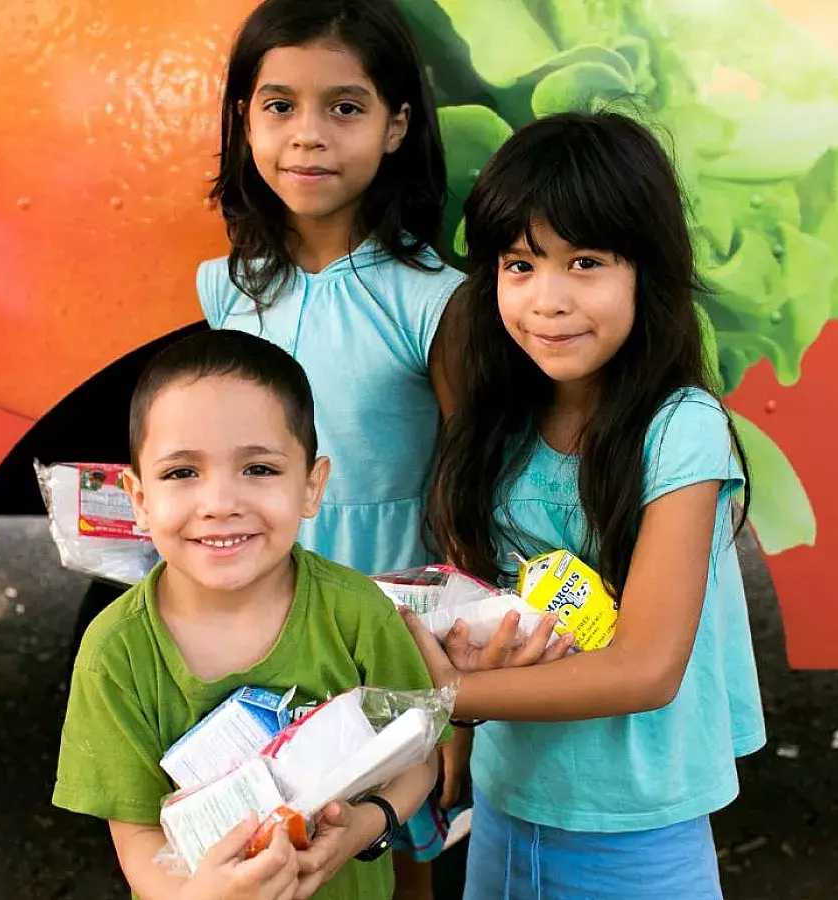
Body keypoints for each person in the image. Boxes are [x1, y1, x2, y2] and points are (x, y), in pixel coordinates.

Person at [404, 111, 768, 900]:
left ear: (648, 272)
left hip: (640, 833)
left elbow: (646, 669)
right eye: (521, 264)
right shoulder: (498, 422)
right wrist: (459, 730)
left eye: (587, 262)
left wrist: (442, 699)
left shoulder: (681, 432)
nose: (549, 299)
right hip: (507, 809)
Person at [196, 0, 469, 894]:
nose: (307, 136)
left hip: (389, 646)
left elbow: (469, 491)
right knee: (261, 854)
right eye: (279, 106)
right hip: (252, 630)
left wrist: (457, 705)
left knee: (396, 858)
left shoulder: (432, 301)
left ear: (396, 125)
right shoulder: (225, 291)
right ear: (244, 120)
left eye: (344, 108)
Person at [53, 329, 440, 900]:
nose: (220, 503)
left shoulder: (357, 614)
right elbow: (136, 836)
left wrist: (367, 825)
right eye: (182, 473)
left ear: (312, 487)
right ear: (138, 500)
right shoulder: (116, 651)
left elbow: (416, 758)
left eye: (258, 469)